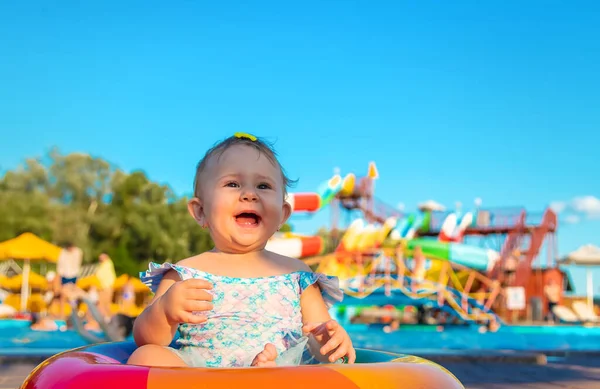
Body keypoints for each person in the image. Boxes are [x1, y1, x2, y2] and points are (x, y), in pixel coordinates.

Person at [128, 133, 354, 368]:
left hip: (278, 374)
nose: (249, 194)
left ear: (283, 215)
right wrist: (165, 311)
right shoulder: (186, 273)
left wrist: (331, 342)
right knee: (146, 357)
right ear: (200, 211)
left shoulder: (297, 276)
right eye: (232, 184)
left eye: (263, 185)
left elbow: (319, 340)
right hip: (200, 378)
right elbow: (146, 339)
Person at [55, 241, 83, 320]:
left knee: (73, 297)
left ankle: (73, 314)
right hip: (65, 276)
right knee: (63, 296)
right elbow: (60, 267)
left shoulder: (77, 252)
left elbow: (76, 265)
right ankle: (62, 314)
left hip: (73, 276)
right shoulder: (63, 253)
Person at [95, 253, 116, 321]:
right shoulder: (104, 265)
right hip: (103, 287)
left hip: (106, 287)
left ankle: (107, 318)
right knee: (102, 304)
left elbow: (101, 275)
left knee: (104, 304)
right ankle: (106, 318)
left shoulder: (107, 264)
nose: (100, 259)